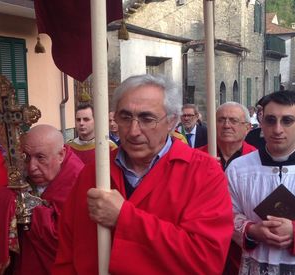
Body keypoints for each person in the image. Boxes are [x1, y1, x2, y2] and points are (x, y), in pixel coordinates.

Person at [52, 74, 234, 274]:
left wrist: (124, 218)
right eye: (125, 117)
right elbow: (67, 251)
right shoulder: (93, 173)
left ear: (172, 122)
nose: (133, 131)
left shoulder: (204, 173)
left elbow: (205, 261)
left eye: (147, 119)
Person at [0, 124, 84, 275]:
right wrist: (5, 203)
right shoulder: (24, 176)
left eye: (40, 157)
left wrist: (30, 211)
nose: (31, 167)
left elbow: (73, 239)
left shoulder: (80, 180)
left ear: (61, 155)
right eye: (27, 157)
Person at [227, 90, 295, 274]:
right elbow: (225, 214)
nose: (278, 129)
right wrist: (252, 230)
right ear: (261, 122)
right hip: (255, 264)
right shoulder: (238, 168)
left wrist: (294, 231)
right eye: (270, 120)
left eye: (287, 121)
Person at [198, 102, 256, 274]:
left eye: (233, 120)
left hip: (244, 247)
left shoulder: (257, 160)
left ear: (247, 127)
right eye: (221, 120)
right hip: (206, 243)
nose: (226, 125)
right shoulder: (197, 157)